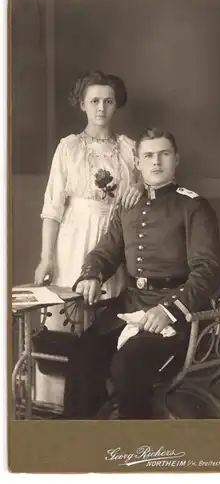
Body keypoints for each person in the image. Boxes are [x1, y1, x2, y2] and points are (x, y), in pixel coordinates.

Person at [63, 127, 220, 420]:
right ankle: (81, 446)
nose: (156, 162)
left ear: (177, 159)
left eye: (164, 154)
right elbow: (105, 252)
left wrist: (170, 309)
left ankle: (134, 449)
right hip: (130, 303)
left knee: (127, 365)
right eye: (148, 155)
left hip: (175, 313)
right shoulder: (129, 206)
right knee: (83, 358)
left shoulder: (193, 206)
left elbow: (207, 271)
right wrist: (92, 274)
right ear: (137, 163)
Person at [34, 71, 144, 405]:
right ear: (82, 104)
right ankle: (56, 407)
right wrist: (46, 257)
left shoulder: (130, 149)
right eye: (94, 101)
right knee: (67, 320)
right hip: (73, 239)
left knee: (106, 324)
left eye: (108, 101)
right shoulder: (68, 147)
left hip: (113, 243)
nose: (101, 108)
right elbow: (52, 208)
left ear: (116, 106)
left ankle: (101, 406)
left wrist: (138, 186)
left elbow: (149, 194)